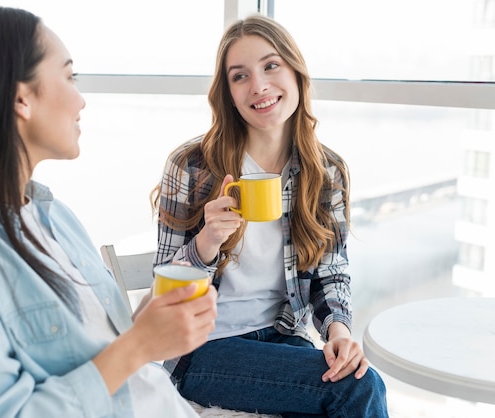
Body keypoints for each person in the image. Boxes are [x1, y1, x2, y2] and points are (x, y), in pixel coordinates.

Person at [0, 7, 217, 418]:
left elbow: (96, 358)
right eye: (70, 76)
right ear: (21, 98)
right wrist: (138, 345)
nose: (81, 99)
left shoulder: (55, 217)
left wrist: (145, 329)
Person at [151, 14, 389, 417]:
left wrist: (339, 332)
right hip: (203, 351)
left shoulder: (326, 171)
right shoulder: (191, 167)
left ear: (296, 72)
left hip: (283, 339)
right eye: (239, 76)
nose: (259, 86)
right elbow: (165, 293)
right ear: (227, 92)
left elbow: (331, 273)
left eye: (271, 65)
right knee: (358, 390)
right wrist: (207, 241)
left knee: (348, 379)